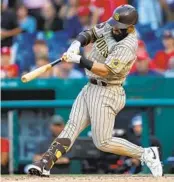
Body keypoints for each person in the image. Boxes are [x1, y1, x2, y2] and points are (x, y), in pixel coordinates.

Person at [28, 5, 163, 177]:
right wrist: (76, 43)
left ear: (130, 27)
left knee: (103, 142)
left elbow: (105, 70)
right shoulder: (114, 24)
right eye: (114, 23)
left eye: (118, 26)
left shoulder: (128, 45)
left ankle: (146, 154)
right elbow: (91, 33)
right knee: (72, 127)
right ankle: (45, 162)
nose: (113, 27)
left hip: (108, 91)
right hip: (91, 86)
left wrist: (79, 59)